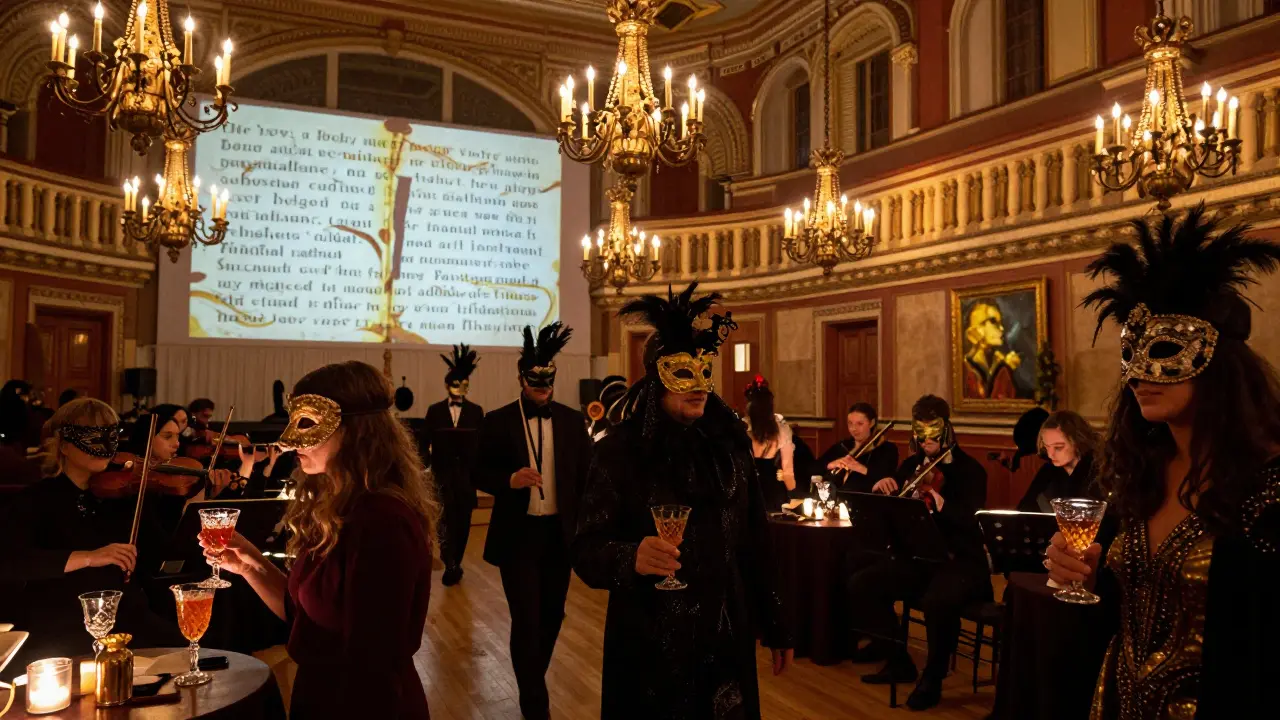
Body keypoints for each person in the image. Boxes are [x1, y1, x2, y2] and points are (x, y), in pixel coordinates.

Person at [1047, 205, 1280, 718]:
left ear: (1219, 362)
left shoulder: (1270, 489)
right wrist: (1085, 574)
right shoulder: (1139, 476)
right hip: (1118, 699)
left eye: (1164, 350)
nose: (1136, 375)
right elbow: (1126, 603)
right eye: (1129, 356)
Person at [575, 282, 794, 719]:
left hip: (724, 638)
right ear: (657, 378)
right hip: (649, 646)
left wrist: (776, 623)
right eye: (682, 372)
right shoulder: (619, 452)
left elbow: (756, 541)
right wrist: (630, 557)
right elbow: (585, 548)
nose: (698, 385)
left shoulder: (731, 448)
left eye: (704, 370)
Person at [200, 361, 439, 719]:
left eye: (306, 423)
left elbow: (374, 661)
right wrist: (250, 564)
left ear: (356, 432)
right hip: (322, 695)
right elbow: (305, 616)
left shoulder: (382, 521)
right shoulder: (336, 510)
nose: (286, 441)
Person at [0, 398, 182, 680]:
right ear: (64, 445)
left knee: (189, 654)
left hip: (128, 620)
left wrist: (191, 497)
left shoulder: (125, 497)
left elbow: (165, 554)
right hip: (62, 624)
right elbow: (10, 562)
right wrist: (88, 557)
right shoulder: (35, 500)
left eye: (112, 434)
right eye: (93, 435)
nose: (105, 444)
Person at [473, 323, 592, 720]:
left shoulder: (573, 421)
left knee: (553, 616)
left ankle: (530, 678)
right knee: (526, 618)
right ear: (521, 379)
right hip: (518, 536)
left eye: (548, 380)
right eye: (535, 380)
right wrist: (509, 480)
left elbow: (588, 475)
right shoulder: (498, 421)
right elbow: (476, 471)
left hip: (560, 536)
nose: (543, 387)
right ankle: (535, 704)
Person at [849, 394, 989, 711]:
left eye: (933, 433)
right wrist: (884, 487)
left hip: (959, 561)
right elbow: (894, 509)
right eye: (920, 434)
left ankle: (933, 678)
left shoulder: (970, 470)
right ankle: (898, 659)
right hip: (922, 559)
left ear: (946, 429)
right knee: (863, 583)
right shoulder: (911, 466)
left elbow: (972, 521)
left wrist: (942, 505)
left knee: (937, 601)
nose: (926, 441)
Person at [423, 344, 484, 586]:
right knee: (444, 522)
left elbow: (482, 444)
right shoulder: (435, 411)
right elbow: (423, 442)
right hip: (441, 477)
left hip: (467, 479)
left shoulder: (476, 411)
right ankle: (449, 561)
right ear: (447, 384)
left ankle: (456, 561)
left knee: (463, 523)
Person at [1016, 410, 1097, 512]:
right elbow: (1024, 509)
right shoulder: (1048, 470)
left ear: (1078, 442)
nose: (1050, 455)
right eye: (1047, 447)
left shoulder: (1098, 472)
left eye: (1058, 447)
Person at [814, 402, 900, 494]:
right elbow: (813, 468)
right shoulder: (843, 446)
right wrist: (831, 464)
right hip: (833, 496)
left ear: (871, 423)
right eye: (850, 423)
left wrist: (860, 468)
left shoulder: (887, 449)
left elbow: (886, 476)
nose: (853, 428)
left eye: (860, 424)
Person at [743, 375, 796, 509]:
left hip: (746, 489)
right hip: (771, 491)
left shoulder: (741, 428)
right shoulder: (780, 429)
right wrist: (793, 492)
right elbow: (788, 473)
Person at [963, 302, 1021, 400]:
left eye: (1000, 322)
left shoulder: (1003, 365)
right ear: (976, 329)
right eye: (993, 322)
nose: (1002, 328)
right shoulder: (965, 368)